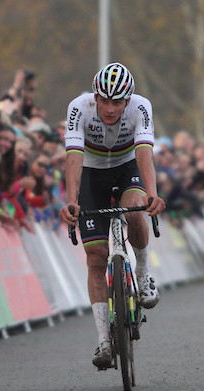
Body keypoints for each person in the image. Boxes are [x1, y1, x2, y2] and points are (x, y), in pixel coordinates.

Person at [59, 62, 166, 370]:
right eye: (103, 100)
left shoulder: (141, 108)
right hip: (91, 173)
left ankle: (143, 273)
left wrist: (152, 193)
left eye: (116, 102)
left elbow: (145, 152)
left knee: (135, 209)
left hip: (127, 167)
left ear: (128, 99)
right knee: (95, 256)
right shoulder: (79, 108)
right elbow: (74, 157)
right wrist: (71, 201)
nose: (109, 108)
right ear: (95, 96)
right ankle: (105, 340)